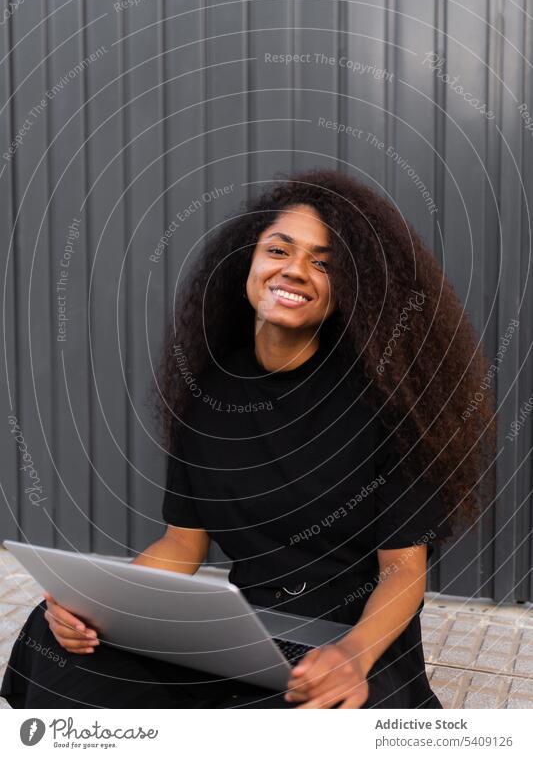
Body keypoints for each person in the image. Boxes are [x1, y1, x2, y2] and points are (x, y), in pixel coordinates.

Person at [1, 168, 496, 709]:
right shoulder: (207, 391)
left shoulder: (387, 400)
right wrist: (98, 605)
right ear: (251, 261)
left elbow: (403, 570)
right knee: (59, 636)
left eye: (323, 262)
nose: (296, 271)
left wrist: (353, 655)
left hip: (351, 644)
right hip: (248, 632)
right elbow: (183, 543)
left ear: (350, 290)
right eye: (279, 250)